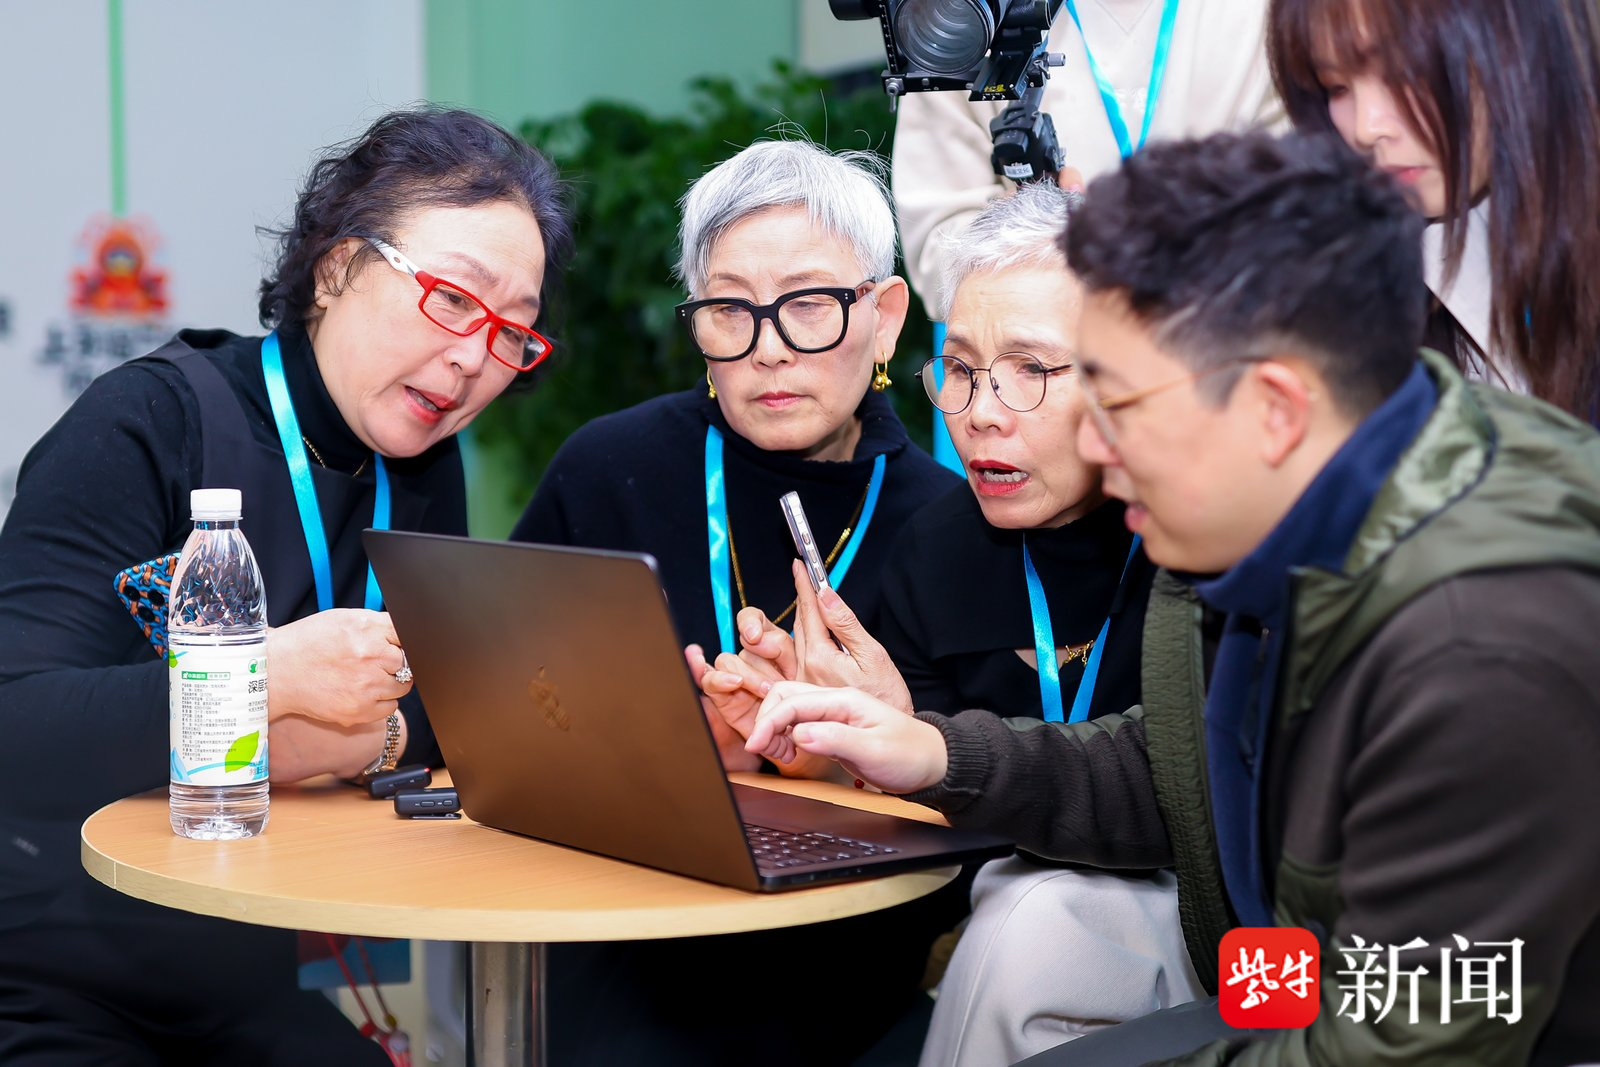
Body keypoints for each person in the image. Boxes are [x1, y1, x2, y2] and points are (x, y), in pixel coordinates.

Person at [747, 129, 1600, 1066]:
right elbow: (1176, 769)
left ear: (1274, 406)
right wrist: (935, 751)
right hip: (1286, 968)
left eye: (1117, 401)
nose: (1097, 448)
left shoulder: (1479, 646)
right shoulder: (1267, 526)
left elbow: (1409, 1037)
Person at [0, 106, 572, 1065]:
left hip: (241, 961)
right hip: (53, 956)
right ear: (338, 268)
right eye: (453, 300)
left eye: (513, 333)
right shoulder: (148, 421)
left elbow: (455, 702)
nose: (476, 358)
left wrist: (363, 735)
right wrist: (259, 682)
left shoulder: (421, 467)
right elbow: (17, 726)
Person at [697, 183, 1200, 1066]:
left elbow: (1182, 793)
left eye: (1031, 369)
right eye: (961, 370)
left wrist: (927, 743)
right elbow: (940, 839)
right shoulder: (936, 547)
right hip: (986, 944)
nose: (980, 411)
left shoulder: (1202, 536)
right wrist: (851, 749)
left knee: (1038, 918)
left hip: (1223, 932)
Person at [511, 139, 959, 1066]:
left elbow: (989, 795)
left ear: (883, 318)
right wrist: (651, 740)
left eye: (808, 304)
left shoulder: (952, 528)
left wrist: (844, 761)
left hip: (846, 956)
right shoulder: (609, 468)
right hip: (625, 927)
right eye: (729, 309)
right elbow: (503, 701)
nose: (768, 348)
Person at [1268, 0, 1600, 418]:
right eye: (1336, 86)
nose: (1367, 127)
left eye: (1403, 72)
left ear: (1517, 44)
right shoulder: (1353, 274)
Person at [892, 0, 1282, 321]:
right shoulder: (953, 17)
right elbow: (939, 246)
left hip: (1229, 344)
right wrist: (1035, 238)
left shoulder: (1264, 14)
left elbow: (1298, 212)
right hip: (1035, 364)